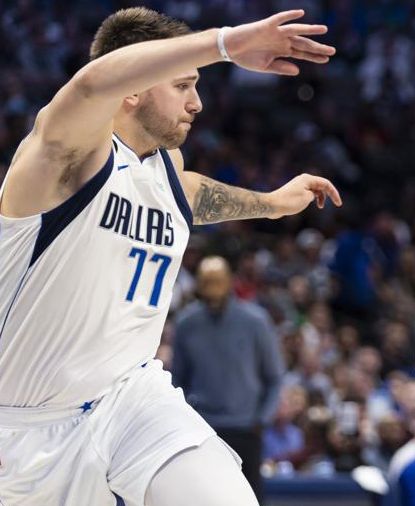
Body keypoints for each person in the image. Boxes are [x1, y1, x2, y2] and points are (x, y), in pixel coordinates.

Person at [0, 7, 339, 506]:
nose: (197, 103)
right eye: (182, 85)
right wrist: (225, 43)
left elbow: (186, 195)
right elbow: (92, 87)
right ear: (133, 89)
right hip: (28, 427)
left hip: (132, 400)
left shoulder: (164, 167)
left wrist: (271, 204)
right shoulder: (61, 159)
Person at [172, 256, 285, 500]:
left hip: (245, 428)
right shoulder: (186, 324)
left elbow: (275, 377)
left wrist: (261, 420)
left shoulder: (256, 322)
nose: (212, 290)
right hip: (202, 429)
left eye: (217, 282)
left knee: (248, 498)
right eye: (206, 283)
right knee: (199, 499)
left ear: (229, 282)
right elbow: (177, 380)